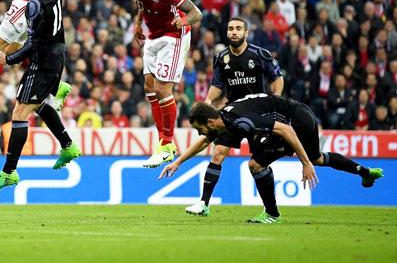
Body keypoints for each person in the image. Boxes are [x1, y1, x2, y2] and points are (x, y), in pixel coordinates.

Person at [159, 95, 384, 223]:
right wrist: (178, 161)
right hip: (302, 114)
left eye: (199, 129)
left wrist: (303, 162)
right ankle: (364, 172)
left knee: (256, 164)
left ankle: (271, 214)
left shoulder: (241, 120)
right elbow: (205, 142)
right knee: (317, 158)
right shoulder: (225, 117)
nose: (200, 134)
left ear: (209, 123)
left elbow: (285, 130)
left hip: (296, 121)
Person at [0, 0, 93, 191]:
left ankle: (8, 172)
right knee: (39, 104)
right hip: (56, 53)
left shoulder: (35, 5)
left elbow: (31, 44)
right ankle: (67, 145)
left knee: (20, 113)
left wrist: (8, 58)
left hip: (42, 60)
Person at [185, 17, 284, 216]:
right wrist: (208, 100)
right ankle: (203, 204)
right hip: (233, 113)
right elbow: (217, 85)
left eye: (239, 28)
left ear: (246, 33)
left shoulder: (260, 54)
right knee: (218, 153)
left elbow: (277, 78)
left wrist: (276, 101)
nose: (234, 32)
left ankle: (270, 208)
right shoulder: (221, 58)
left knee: (259, 163)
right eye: (231, 28)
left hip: (257, 114)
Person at [121, 0, 202, 168]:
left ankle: (167, 145)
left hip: (174, 35)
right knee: (149, 86)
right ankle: (162, 143)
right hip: (153, 34)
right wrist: (139, 23)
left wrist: (184, 22)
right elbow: (141, 3)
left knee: (162, 88)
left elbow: (196, 13)